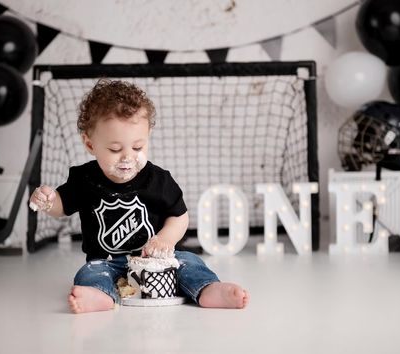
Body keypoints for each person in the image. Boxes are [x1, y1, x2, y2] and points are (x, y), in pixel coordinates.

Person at [29, 79, 249, 313]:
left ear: (148, 136)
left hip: (156, 261)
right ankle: (101, 295)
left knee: (189, 262)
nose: (127, 157)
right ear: (89, 143)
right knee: (89, 272)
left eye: (137, 147)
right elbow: (63, 206)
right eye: (115, 149)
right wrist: (49, 201)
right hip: (107, 262)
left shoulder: (158, 179)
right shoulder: (84, 179)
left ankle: (208, 289)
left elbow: (180, 217)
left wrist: (165, 239)